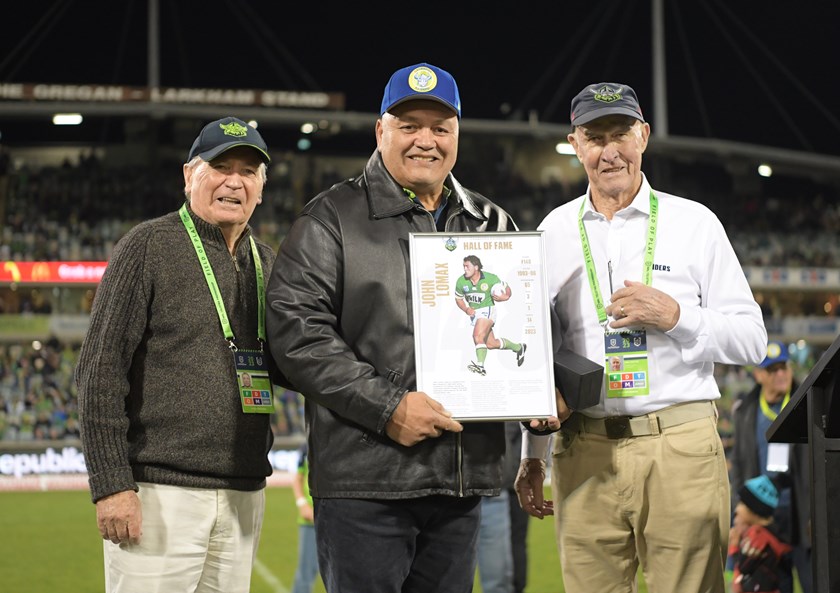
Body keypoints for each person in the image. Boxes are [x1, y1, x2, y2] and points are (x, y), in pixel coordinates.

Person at [265, 62, 518, 593]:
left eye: (440, 127)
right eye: (409, 125)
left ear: (457, 137)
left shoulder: (491, 223)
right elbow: (296, 335)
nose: (425, 140)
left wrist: (541, 390)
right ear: (381, 131)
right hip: (365, 485)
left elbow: (527, 326)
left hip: (458, 482)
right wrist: (389, 408)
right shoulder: (329, 218)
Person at [514, 81, 767, 593]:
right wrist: (533, 454)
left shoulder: (695, 223)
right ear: (576, 144)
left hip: (678, 445)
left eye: (621, 133)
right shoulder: (552, 232)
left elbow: (752, 341)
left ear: (644, 136)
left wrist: (678, 316)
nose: (610, 150)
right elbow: (535, 348)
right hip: (582, 451)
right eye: (594, 136)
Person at [76, 116, 277, 593]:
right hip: (158, 495)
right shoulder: (146, 247)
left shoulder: (268, 262)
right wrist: (111, 484)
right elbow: (99, 372)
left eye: (248, 171)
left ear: (261, 189)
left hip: (243, 495)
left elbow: (296, 363)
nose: (234, 181)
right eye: (220, 166)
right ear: (189, 175)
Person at [729, 341, 812, 593]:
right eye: (773, 369)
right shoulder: (745, 412)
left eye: (783, 367)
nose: (781, 374)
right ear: (758, 375)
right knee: (770, 587)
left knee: (816, 583)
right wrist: (740, 515)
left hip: (803, 514)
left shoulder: (808, 403)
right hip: (764, 517)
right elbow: (741, 466)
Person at [455, 254, 526, 376]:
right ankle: (519, 348)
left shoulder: (491, 278)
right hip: (474, 314)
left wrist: (506, 296)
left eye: (467, 266)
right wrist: (466, 309)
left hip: (487, 309)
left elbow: (506, 287)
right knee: (490, 344)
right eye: (464, 266)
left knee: (477, 336)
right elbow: (458, 299)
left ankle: (480, 366)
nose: (465, 269)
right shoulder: (461, 281)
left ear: (476, 267)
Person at [729, 475, 792, 593]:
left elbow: (742, 569)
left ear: (755, 510)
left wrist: (734, 546)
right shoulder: (772, 534)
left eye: (742, 504)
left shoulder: (757, 536)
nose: (737, 509)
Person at [291, 442, 320, 593]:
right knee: (306, 572)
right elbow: (297, 479)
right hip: (309, 521)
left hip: (335, 517)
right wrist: (302, 504)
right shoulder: (306, 447)